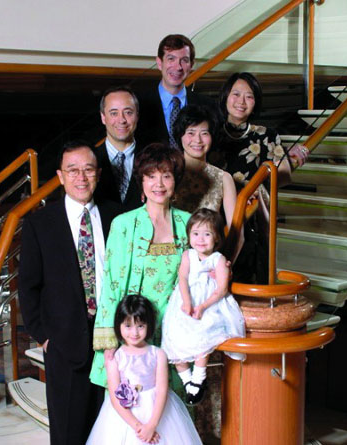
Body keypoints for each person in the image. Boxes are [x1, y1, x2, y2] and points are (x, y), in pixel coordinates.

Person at [18, 141, 121, 445]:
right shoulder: (40, 223)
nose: (81, 177)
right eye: (72, 170)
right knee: (68, 432)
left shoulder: (117, 217)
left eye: (88, 170)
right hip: (63, 342)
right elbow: (28, 285)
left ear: (98, 174)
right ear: (60, 176)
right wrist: (43, 335)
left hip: (114, 339)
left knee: (113, 431)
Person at [89, 143, 191, 388]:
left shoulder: (188, 223)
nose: (159, 184)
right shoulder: (123, 224)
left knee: (170, 401)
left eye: (166, 176)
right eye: (151, 176)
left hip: (174, 330)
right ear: (141, 181)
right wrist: (109, 338)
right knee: (131, 400)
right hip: (134, 330)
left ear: (175, 181)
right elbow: (112, 283)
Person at [210, 72, 309, 283]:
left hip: (251, 215)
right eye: (236, 94)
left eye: (249, 96)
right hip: (214, 214)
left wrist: (288, 158)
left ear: (255, 103)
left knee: (248, 274)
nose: (241, 101)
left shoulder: (266, 135)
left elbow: (282, 175)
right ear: (225, 96)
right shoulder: (210, 132)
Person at [86, 295, 202, 445]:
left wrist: (152, 426)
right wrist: (139, 427)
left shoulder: (158, 354)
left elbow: (162, 390)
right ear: (118, 325)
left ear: (149, 325)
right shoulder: (115, 358)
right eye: (128, 326)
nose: (134, 332)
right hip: (126, 417)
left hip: (157, 412)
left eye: (140, 326)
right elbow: (114, 397)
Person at [162, 209, 245, 406]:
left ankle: (198, 378)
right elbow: (182, 278)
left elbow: (222, 289)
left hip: (209, 303)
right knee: (173, 340)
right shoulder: (188, 255)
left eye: (207, 234)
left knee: (204, 334)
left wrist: (202, 306)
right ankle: (188, 382)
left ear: (216, 238)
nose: (200, 239)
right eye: (196, 233)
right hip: (185, 301)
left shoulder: (218, 260)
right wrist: (187, 302)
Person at [136, 34, 214, 149]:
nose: (178, 67)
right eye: (171, 59)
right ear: (159, 63)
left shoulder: (208, 106)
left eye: (184, 60)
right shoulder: (138, 104)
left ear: (191, 65)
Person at [172, 104, 237, 227]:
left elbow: (236, 230)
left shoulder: (224, 178)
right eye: (191, 133)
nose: (198, 140)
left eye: (204, 133)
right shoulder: (169, 173)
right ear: (180, 136)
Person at [94, 86, 142, 211]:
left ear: (137, 116)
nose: (121, 120)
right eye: (114, 113)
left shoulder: (153, 157)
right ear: (103, 117)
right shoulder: (92, 159)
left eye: (128, 112)